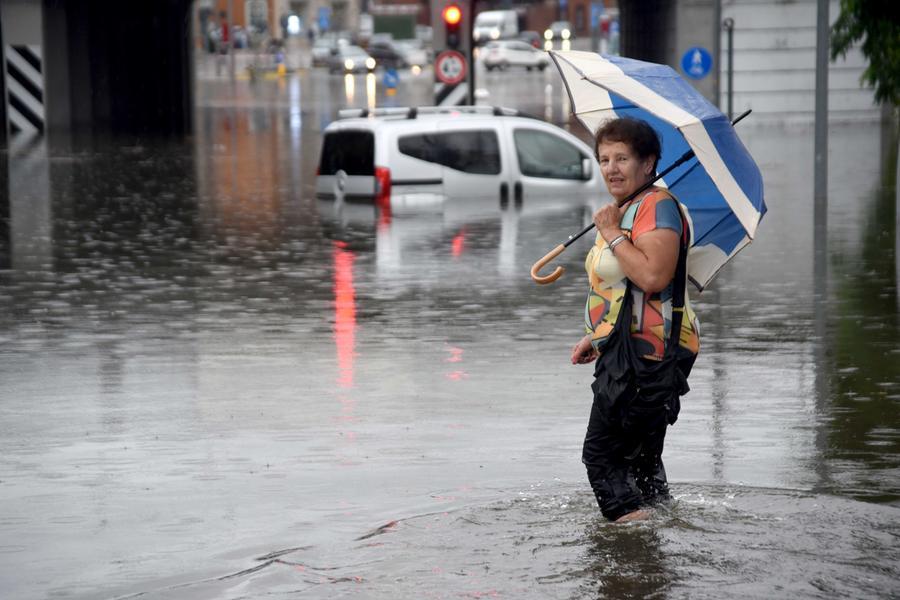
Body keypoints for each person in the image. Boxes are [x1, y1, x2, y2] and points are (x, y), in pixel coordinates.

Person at [570, 118, 700, 522]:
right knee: (640, 463)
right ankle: (658, 544)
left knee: (602, 458)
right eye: (604, 158)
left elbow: (652, 276)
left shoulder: (657, 207)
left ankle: (631, 557)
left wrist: (610, 233)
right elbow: (619, 288)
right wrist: (597, 335)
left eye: (622, 158)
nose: (611, 168)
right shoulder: (625, 209)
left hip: (646, 355)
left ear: (649, 163)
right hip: (628, 344)